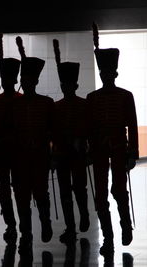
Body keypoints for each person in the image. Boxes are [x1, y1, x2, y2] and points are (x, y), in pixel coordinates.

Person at [86, 23, 139, 256]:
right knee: (100, 196)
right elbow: (88, 127)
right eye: (103, 74)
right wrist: (88, 149)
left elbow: (132, 126)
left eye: (109, 73)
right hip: (98, 149)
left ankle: (125, 225)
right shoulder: (92, 98)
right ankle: (108, 238)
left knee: (119, 191)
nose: (106, 76)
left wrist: (133, 153)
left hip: (119, 147)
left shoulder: (126, 96)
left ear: (114, 74)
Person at [11, 36, 54, 259]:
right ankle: (25, 232)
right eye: (23, 79)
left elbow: (53, 131)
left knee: (40, 193)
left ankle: (45, 221)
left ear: (34, 82)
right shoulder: (14, 106)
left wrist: (52, 154)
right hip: (19, 159)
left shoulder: (46, 104)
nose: (25, 83)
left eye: (28, 80)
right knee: (21, 197)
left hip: (39, 157)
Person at [51, 39, 90, 244]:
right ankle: (70, 227)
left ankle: (83, 213)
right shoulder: (56, 107)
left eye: (69, 84)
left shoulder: (84, 105)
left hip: (78, 154)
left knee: (80, 189)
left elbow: (88, 128)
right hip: (62, 155)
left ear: (75, 85)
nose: (66, 87)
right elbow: (52, 132)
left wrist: (81, 141)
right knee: (65, 192)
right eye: (63, 84)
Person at [0, 33, 22, 243]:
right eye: (4, 79)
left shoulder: (21, 101)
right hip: (2, 153)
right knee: (4, 192)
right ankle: (11, 224)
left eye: (9, 79)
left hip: (18, 153)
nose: (7, 82)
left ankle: (17, 224)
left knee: (18, 190)